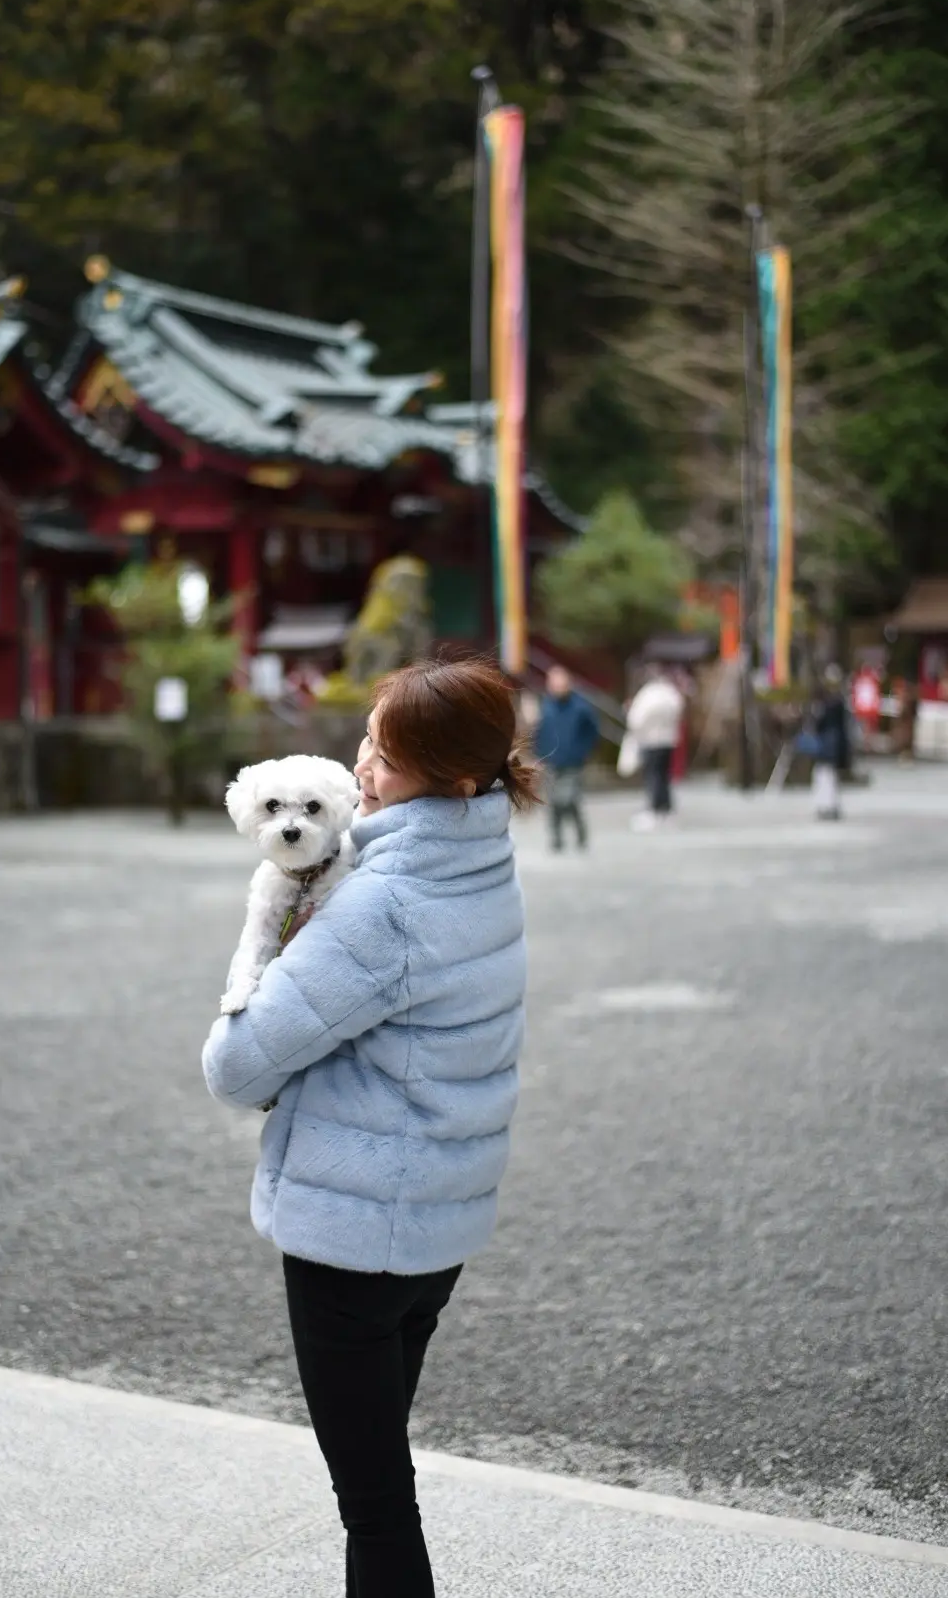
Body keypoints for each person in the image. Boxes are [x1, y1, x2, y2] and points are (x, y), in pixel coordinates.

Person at [202, 658, 538, 1598]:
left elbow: (235, 1067)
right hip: (437, 1226)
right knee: (382, 1466)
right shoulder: (484, 863)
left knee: (377, 1501)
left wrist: (268, 968)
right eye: (366, 743)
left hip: (353, 1240)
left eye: (384, 759)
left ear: (456, 777)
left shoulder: (381, 902)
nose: (362, 771)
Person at [533, 664, 599, 851]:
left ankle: (580, 833)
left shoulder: (581, 707)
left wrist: (583, 751)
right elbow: (538, 733)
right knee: (553, 802)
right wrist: (538, 755)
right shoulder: (545, 706)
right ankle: (557, 839)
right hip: (550, 761)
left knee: (568, 798)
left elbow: (592, 732)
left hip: (573, 763)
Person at [625, 664, 685, 830]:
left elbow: (636, 719)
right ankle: (666, 809)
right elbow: (679, 711)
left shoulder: (648, 695)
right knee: (664, 776)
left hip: (650, 741)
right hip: (668, 740)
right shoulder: (670, 693)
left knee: (652, 776)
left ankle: (654, 809)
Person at [811, 663, 852, 820]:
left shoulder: (828, 705)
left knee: (824, 775)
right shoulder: (840, 703)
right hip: (835, 745)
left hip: (827, 746)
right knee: (829, 776)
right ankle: (829, 805)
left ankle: (826, 805)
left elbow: (818, 724)